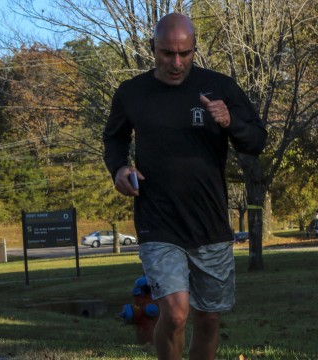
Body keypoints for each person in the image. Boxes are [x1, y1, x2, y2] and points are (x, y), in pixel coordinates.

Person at [103, 13, 267, 360]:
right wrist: (118, 169)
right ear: (153, 49)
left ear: (195, 49)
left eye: (185, 54)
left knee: (208, 318)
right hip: (158, 221)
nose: (176, 63)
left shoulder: (219, 88)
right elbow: (114, 139)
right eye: (167, 54)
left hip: (209, 223)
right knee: (176, 313)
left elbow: (256, 141)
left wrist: (230, 122)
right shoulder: (132, 92)